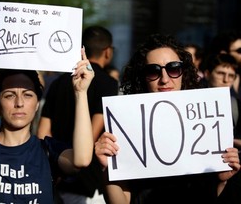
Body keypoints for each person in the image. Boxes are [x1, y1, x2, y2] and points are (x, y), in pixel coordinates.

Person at [95, 33, 241, 204]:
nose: (164, 79)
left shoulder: (206, 120)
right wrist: (107, 169)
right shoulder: (125, 126)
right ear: (142, 77)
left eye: (173, 68)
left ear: (183, 72)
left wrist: (221, 180)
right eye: (153, 71)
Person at [0, 35, 95, 203]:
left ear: (37, 104)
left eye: (27, 95)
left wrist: (81, 92)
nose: (19, 103)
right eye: (9, 95)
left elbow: (82, 159)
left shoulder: (48, 151)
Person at [37, 25, 119, 203]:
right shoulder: (109, 84)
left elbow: (42, 133)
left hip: (56, 174)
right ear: (107, 52)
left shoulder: (59, 82)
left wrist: (52, 165)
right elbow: (93, 133)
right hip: (88, 180)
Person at [202, 53, 241, 154]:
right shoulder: (190, 102)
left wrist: (230, 141)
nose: (226, 80)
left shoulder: (237, 105)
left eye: (231, 76)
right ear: (207, 74)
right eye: (220, 73)